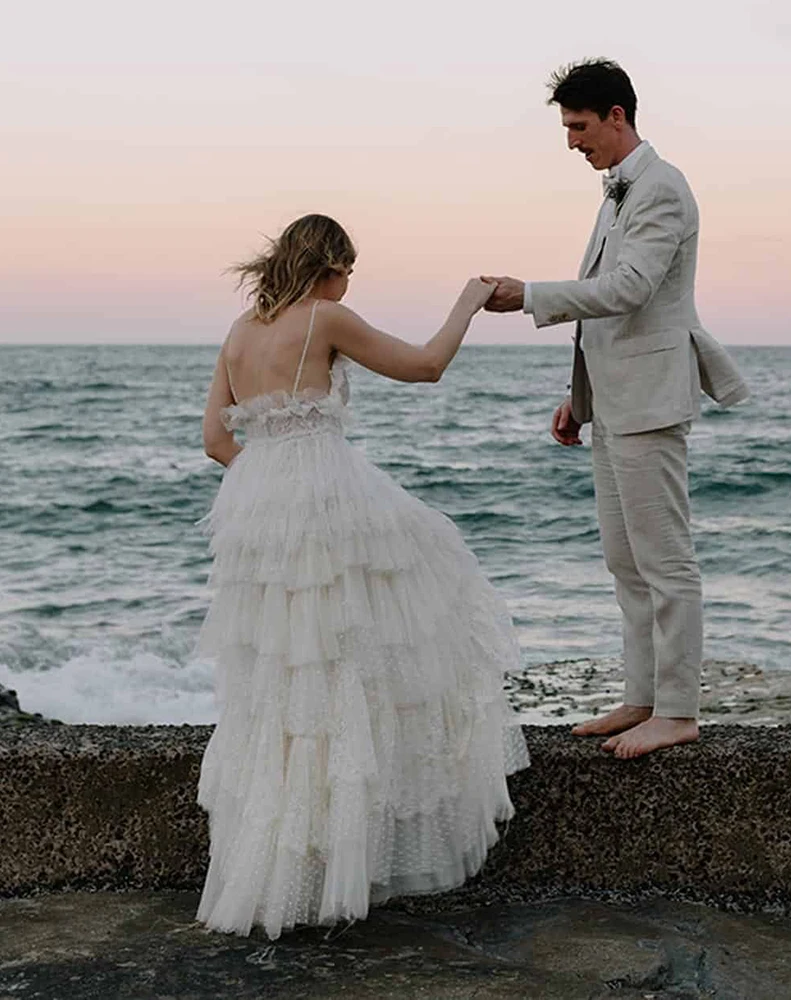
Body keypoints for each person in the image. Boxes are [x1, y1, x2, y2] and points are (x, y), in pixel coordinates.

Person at [197, 213, 529, 940]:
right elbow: (425, 366)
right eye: (349, 269)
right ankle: (344, 863)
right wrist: (467, 304)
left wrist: (267, 482)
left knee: (285, 682)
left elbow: (215, 438)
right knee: (368, 644)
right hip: (325, 497)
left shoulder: (241, 331)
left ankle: (292, 872)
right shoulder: (324, 317)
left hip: (259, 512)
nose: (350, 282)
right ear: (330, 266)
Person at [484, 59, 749, 759]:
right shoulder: (615, 193)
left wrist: (529, 294)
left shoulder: (663, 188)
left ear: (616, 116)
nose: (572, 141)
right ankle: (642, 697)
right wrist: (581, 399)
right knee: (623, 560)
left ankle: (680, 710)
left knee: (666, 562)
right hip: (615, 398)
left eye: (578, 126)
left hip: (653, 401)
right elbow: (607, 305)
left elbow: (628, 288)